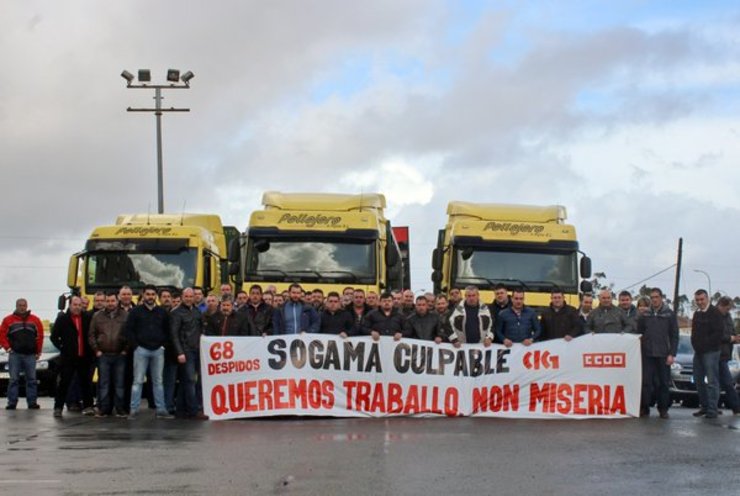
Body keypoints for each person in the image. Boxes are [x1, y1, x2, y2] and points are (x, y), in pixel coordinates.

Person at [125, 284, 172, 419]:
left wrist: (163, 346)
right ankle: (134, 410)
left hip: (158, 351)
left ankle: (161, 409)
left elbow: (168, 331)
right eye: (148, 294)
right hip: (141, 350)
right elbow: (129, 330)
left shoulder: (162, 312)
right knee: (138, 381)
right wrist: (136, 346)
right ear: (143, 295)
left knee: (158, 381)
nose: (150, 297)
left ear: (155, 296)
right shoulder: (136, 312)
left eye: (153, 294)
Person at [636, 288, 678, 419]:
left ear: (661, 298)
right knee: (646, 382)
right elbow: (640, 332)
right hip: (647, 353)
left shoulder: (669, 314)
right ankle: (645, 407)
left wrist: (672, 353)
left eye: (656, 297)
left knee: (663, 383)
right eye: (652, 297)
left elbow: (674, 336)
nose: (654, 299)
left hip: (663, 354)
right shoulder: (645, 315)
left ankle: (663, 409)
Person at [51, 296, 94, 417]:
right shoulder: (63, 319)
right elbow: (54, 337)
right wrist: (63, 348)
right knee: (64, 383)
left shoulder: (87, 318)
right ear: (70, 305)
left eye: (79, 305)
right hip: (68, 358)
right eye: (75, 305)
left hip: (84, 357)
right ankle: (58, 407)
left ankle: (88, 406)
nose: (77, 307)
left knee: (86, 383)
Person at [88, 293, 128, 417]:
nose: (111, 303)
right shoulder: (97, 316)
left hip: (119, 355)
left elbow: (130, 334)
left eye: (113, 301)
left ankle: (120, 409)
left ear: (117, 301)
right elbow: (91, 334)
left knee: (120, 384)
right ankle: (104, 409)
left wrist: (126, 349)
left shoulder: (125, 315)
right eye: (108, 301)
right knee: (103, 383)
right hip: (103, 355)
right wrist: (96, 350)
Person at [1, 298, 44, 410]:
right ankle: (12, 402)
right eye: (20, 305)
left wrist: (38, 351)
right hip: (15, 354)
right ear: (16, 306)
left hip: (30, 354)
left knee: (32, 379)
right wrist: (8, 348)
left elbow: (40, 336)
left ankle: (32, 402)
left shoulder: (35, 320)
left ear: (27, 306)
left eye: (24, 305)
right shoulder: (8, 320)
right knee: (13, 379)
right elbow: (2, 335)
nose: (22, 307)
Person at [170, 288, 205, 419]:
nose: (189, 298)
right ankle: (193, 410)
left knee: (186, 380)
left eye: (191, 296)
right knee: (190, 380)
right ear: (182, 297)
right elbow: (174, 334)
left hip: (196, 349)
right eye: (187, 296)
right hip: (185, 350)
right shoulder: (176, 313)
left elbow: (202, 329)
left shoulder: (197, 311)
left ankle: (180, 409)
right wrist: (179, 352)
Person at [690, 289, 724, 419]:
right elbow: (693, 333)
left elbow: (718, 333)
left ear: (707, 298)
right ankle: (704, 406)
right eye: (697, 300)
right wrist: (696, 346)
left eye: (702, 299)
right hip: (698, 352)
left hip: (711, 352)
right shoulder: (697, 314)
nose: (700, 302)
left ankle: (712, 409)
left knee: (712, 381)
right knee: (698, 380)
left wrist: (705, 345)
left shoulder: (715, 313)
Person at [716, 297, 740, 415]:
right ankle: (736, 407)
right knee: (726, 382)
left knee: (720, 383)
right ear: (721, 305)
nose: (729, 311)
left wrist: (736, 338)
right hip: (716, 354)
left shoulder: (728, 317)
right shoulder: (714, 316)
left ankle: (713, 406)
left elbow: (731, 332)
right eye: (727, 308)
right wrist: (730, 338)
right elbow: (717, 335)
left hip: (725, 354)